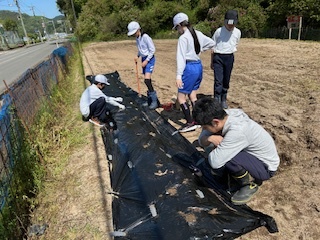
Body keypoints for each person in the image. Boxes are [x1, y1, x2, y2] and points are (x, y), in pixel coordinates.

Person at [192, 97, 280, 205]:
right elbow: (202, 141)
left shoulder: (238, 130)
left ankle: (248, 184)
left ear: (215, 122)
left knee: (226, 157)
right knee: (218, 150)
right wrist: (209, 138)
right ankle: (237, 174)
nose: (204, 129)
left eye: (205, 127)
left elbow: (215, 162)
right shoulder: (225, 116)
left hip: (265, 167)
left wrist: (214, 146)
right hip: (249, 155)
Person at [172, 12, 214, 133]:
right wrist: (200, 50)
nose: (177, 30)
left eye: (177, 28)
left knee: (181, 98)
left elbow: (180, 58)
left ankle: (190, 122)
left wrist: (179, 76)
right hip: (198, 66)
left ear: (180, 25)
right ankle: (199, 119)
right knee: (192, 95)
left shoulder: (183, 38)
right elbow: (211, 43)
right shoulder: (197, 33)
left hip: (189, 68)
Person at [211, 10, 241, 109]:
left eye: (232, 24)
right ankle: (217, 98)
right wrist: (212, 61)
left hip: (229, 57)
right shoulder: (219, 31)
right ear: (225, 22)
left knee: (226, 80)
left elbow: (235, 43)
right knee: (218, 80)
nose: (230, 26)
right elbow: (213, 46)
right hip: (218, 57)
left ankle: (224, 98)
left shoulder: (237, 32)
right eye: (228, 24)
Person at [127, 21, 159, 110]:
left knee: (147, 79)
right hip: (143, 59)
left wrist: (147, 60)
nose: (134, 35)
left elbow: (152, 50)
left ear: (138, 30)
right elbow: (141, 49)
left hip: (149, 59)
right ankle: (150, 99)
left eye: (134, 32)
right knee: (146, 81)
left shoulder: (145, 37)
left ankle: (154, 100)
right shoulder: (137, 38)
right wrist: (137, 56)